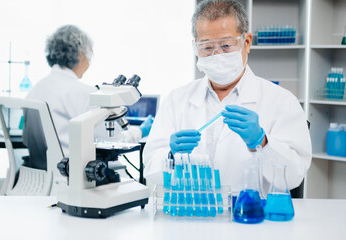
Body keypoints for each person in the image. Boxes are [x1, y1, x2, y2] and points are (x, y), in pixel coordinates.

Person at [143, 0, 311, 193]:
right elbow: (150, 168)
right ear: (195, 48)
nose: (216, 55)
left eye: (226, 45)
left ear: (246, 43)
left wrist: (262, 142)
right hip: (191, 217)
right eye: (206, 47)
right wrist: (171, 156)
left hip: (250, 217)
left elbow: (293, 177)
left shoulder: (281, 101)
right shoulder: (176, 100)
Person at [23, 25, 153, 170]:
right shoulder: (82, 93)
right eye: (90, 53)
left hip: (40, 178)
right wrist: (141, 131)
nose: (90, 62)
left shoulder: (35, 89)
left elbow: (27, 140)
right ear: (80, 54)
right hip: (71, 177)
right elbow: (112, 140)